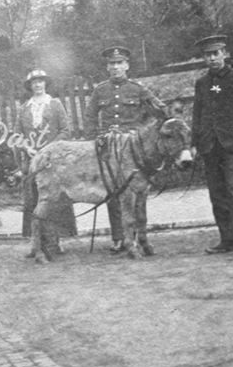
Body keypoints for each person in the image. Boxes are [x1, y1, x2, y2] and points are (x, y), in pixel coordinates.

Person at [84, 46, 167, 252]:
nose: (115, 67)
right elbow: (90, 117)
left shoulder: (138, 89)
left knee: (137, 193)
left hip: (133, 148)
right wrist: (94, 139)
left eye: (119, 63)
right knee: (113, 192)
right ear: (107, 67)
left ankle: (139, 236)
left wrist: (143, 131)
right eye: (112, 64)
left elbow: (159, 110)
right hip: (109, 147)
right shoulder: (100, 90)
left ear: (127, 65)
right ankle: (118, 237)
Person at [12, 69, 74, 257]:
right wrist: (27, 148)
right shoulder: (24, 108)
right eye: (34, 82)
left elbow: (65, 131)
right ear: (30, 86)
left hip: (52, 162)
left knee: (55, 200)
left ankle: (56, 242)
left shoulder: (55, 104)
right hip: (32, 163)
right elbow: (17, 136)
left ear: (46, 84)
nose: (38, 85)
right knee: (34, 202)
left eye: (41, 81)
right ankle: (36, 243)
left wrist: (49, 149)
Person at [191, 35, 233, 254]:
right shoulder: (202, 83)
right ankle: (228, 240)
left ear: (225, 54)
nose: (211, 58)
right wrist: (194, 143)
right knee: (216, 193)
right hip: (210, 146)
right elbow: (197, 114)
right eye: (207, 55)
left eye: (215, 53)